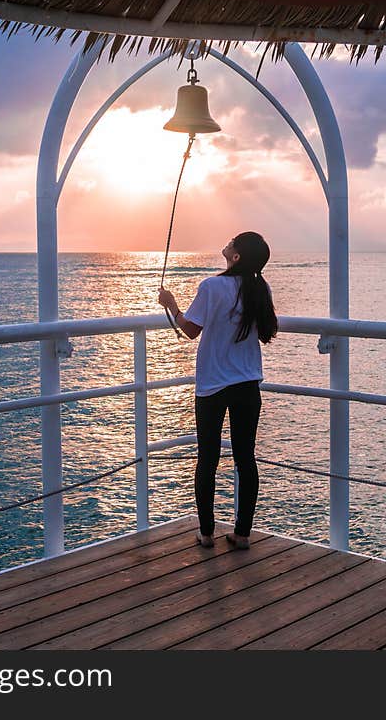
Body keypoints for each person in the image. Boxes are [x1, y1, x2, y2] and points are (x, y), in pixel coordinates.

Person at [158, 231, 278, 550]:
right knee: (245, 458)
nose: (227, 243)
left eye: (233, 242)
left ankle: (207, 533)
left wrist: (171, 304)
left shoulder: (212, 286)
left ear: (236, 256)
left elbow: (190, 329)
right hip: (248, 383)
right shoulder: (259, 287)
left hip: (213, 385)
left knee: (207, 459)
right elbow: (268, 330)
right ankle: (242, 534)